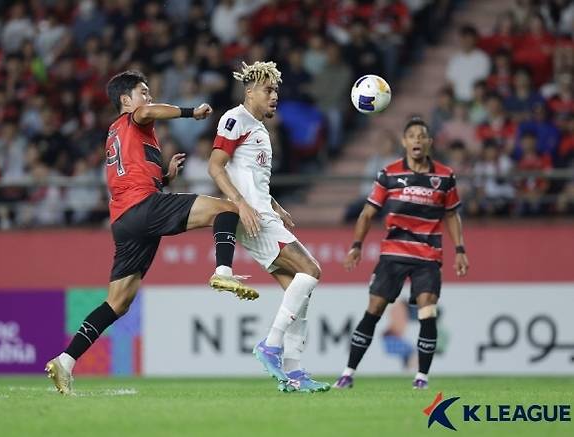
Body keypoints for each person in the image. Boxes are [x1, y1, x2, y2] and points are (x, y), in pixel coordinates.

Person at [46, 70, 258, 395]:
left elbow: (134, 173)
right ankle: (223, 271)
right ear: (125, 100)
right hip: (143, 207)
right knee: (228, 208)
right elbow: (145, 112)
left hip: (124, 220)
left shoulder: (117, 133)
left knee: (118, 303)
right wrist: (191, 112)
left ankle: (66, 360)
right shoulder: (134, 117)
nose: (147, 97)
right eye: (142, 92)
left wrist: (166, 177)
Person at [209, 61, 329, 393]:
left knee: (299, 294)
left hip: (263, 212)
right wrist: (241, 203)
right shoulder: (235, 119)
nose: (275, 96)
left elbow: (250, 178)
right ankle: (270, 345)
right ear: (249, 92)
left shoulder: (259, 128)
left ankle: (294, 373)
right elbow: (215, 166)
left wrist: (274, 204)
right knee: (312, 270)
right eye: (268, 90)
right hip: (254, 218)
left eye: (276, 90)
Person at [332, 117, 469, 390]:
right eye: (412, 135)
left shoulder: (444, 176)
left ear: (429, 142)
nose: (417, 139)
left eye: (422, 135)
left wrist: (460, 249)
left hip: (428, 257)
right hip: (393, 254)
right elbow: (368, 213)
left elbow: (452, 215)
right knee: (374, 311)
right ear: (404, 142)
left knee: (427, 312)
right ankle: (348, 373)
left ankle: (421, 378)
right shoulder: (389, 174)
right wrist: (357, 245)